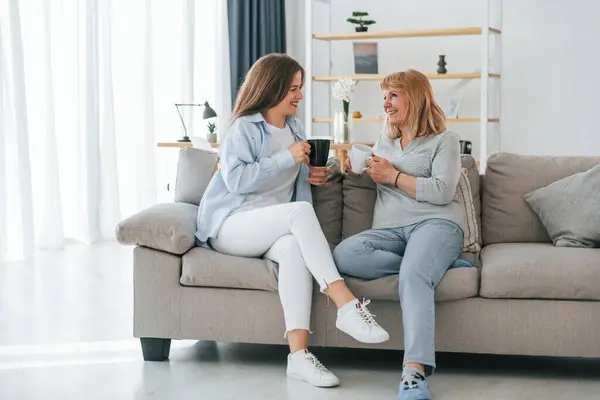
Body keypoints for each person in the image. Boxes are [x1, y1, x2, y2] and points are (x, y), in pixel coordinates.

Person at [195, 53, 389, 388]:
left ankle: (298, 357)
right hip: (233, 224)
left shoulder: (295, 128)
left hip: (273, 228)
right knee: (299, 214)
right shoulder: (243, 128)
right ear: (272, 88)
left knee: (296, 249)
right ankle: (346, 304)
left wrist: (315, 174)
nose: (299, 95)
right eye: (293, 89)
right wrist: (286, 158)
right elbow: (237, 180)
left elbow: (292, 179)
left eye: (300, 88)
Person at [333, 69, 465, 400]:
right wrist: (356, 170)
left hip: (435, 224)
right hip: (390, 231)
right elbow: (374, 173)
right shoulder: (385, 141)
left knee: (413, 274)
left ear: (415, 97)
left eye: (393, 95)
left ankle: (414, 372)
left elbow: (442, 191)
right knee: (345, 254)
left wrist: (392, 177)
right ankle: (433, 265)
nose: (386, 103)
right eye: (385, 97)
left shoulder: (444, 141)